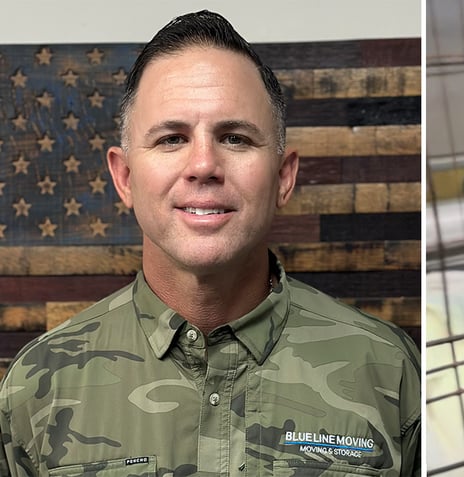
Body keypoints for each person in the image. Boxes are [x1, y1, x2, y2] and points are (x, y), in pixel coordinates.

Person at [0, 10, 420, 477]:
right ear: (124, 177)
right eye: (172, 138)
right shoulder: (38, 384)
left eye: (235, 138)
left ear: (283, 177)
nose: (204, 164)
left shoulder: (390, 371)